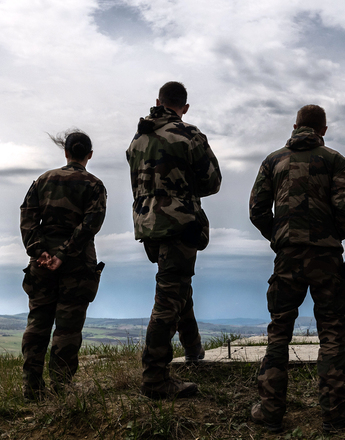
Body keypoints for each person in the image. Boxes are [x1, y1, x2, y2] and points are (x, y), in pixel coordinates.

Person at [249, 105, 345, 433]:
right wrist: (332, 235)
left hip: (287, 259)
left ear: (295, 125)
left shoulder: (273, 160)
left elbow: (257, 210)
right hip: (327, 258)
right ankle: (334, 415)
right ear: (323, 129)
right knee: (332, 334)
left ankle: (270, 413)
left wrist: (281, 237)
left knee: (279, 333)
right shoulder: (336, 160)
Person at [126, 81, 222, 399]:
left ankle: (193, 349)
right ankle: (155, 379)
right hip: (180, 225)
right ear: (185, 107)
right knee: (169, 299)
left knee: (178, 285)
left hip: (148, 227)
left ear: (157, 101)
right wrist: (183, 185)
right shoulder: (188, 135)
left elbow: (138, 186)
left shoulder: (137, 141)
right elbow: (212, 182)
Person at [20, 130, 107, 400]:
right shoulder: (94, 185)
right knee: (68, 328)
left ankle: (32, 388)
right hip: (77, 265)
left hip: (41, 265)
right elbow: (90, 224)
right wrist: (64, 254)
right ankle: (62, 389)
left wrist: (40, 252)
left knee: (37, 323)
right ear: (89, 155)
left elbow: (28, 217)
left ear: (66, 152)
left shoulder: (43, 181)